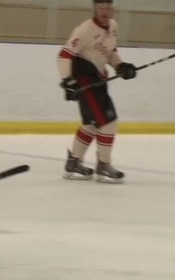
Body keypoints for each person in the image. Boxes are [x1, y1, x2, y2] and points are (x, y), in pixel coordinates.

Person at [56, 0, 137, 184]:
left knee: (92, 123)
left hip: (98, 78)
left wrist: (120, 66)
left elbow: (109, 52)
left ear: (113, 10)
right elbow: (64, 55)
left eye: (107, 7)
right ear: (94, 9)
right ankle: (104, 164)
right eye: (100, 7)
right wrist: (68, 80)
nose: (104, 11)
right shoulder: (84, 30)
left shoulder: (113, 27)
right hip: (85, 79)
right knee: (108, 121)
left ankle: (74, 162)